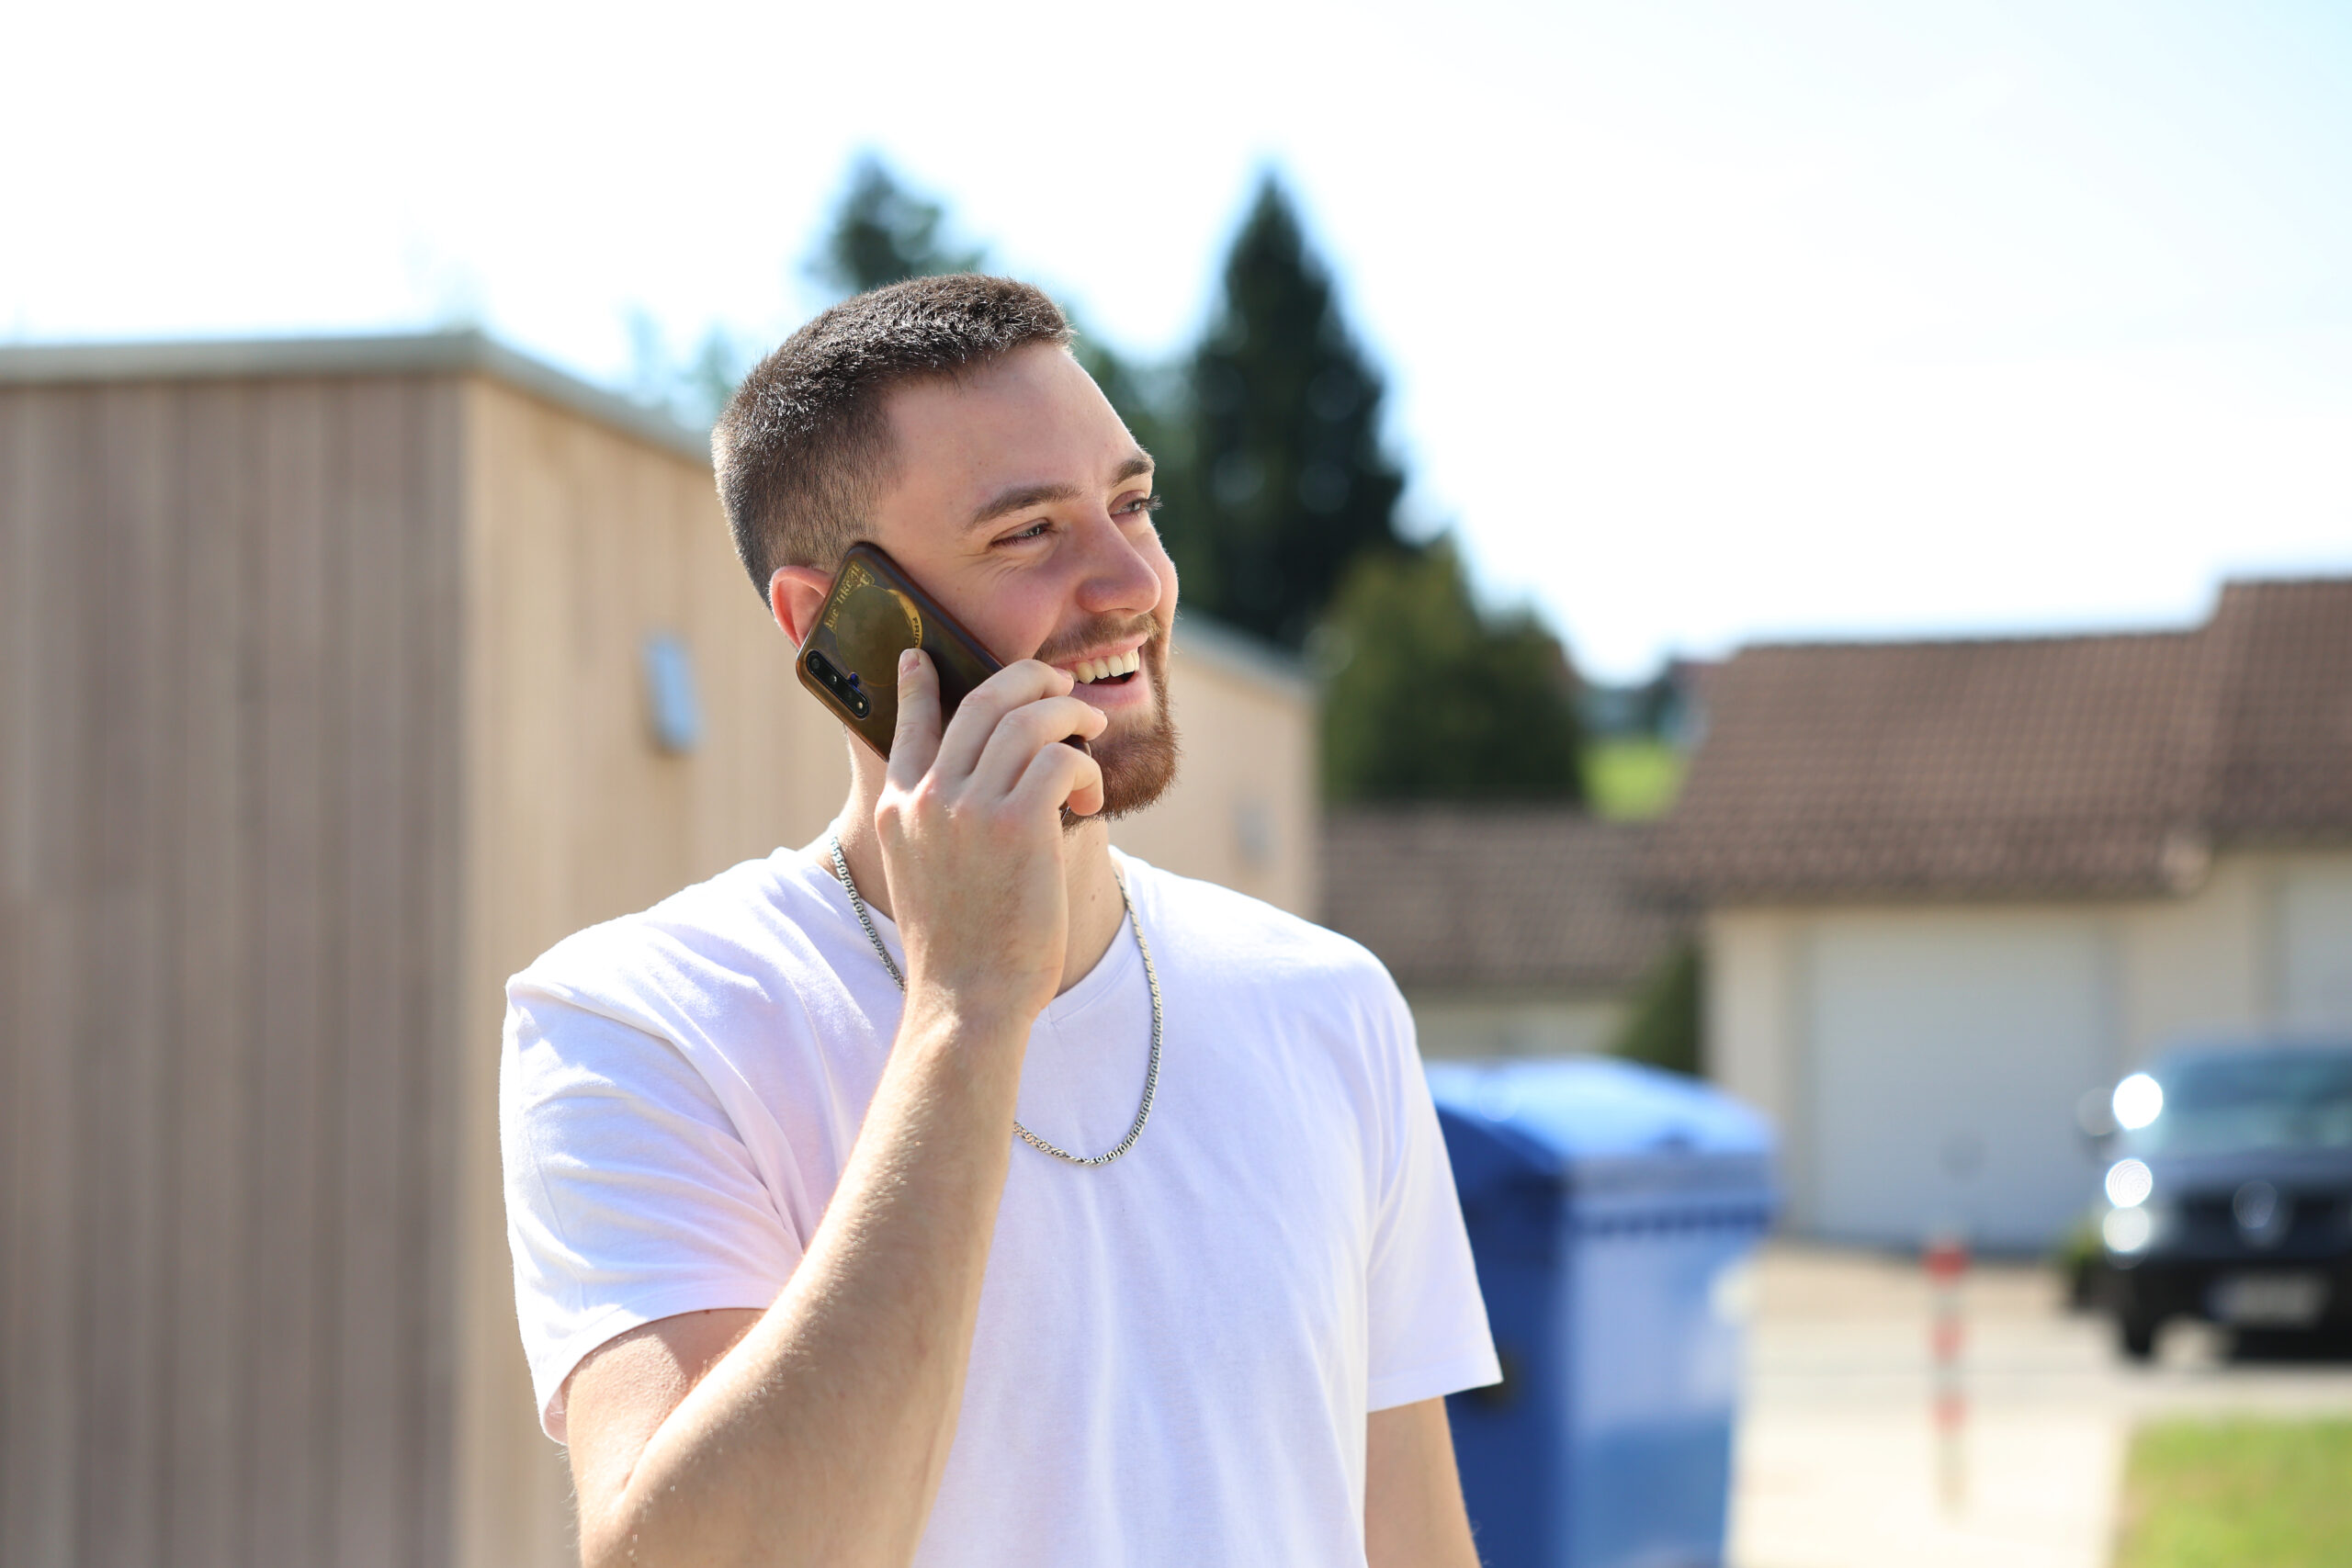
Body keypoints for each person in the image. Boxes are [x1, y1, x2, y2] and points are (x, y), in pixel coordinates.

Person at [501, 275, 1498, 1568]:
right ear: (832, 623)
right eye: (1029, 532)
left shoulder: (1328, 1003)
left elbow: (1412, 1540)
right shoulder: (639, 1023)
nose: (1133, 581)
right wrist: (964, 1008)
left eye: (1133, 505)